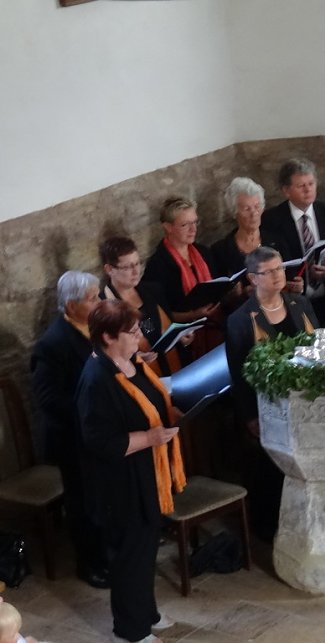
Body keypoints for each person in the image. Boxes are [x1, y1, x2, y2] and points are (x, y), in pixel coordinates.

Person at [76, 300, 183, 643]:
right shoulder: (96, 379)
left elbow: (152, 399)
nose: (140, 336)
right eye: (132, 331)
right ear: (108, 337)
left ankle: (146, 612)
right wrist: (151, 437)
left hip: (147, 474)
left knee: (146, 549)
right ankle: (131, 631)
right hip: (119, 483)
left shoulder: (131, 361)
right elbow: (100, 442)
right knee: (128, 557)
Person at [225, 246, 318, 539]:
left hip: (307, 402)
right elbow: (238, 372)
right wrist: (248, 416)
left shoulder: (299, 303)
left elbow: (319, 343)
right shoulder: (240, 320)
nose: (279, 275)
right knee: (271, 470)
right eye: (270, 271)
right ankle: (271, 528)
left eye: (280, 268)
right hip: (268, 407)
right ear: (253, 278)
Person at [30, 270, 109, 589]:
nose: (100, 302)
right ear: (71, 304)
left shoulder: (92, 327)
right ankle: (88, 564)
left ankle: (107, 553)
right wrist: (90, 409)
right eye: (93, 298)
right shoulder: (52, 344)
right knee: (83, 502)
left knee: (103, 498)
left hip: (97, 433)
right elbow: (48, 400)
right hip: (72, 439)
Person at [260, 158, 325, 326]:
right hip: (295, 302)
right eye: (301, 186)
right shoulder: (272, 221)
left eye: (311, 183)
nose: (308, 190)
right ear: (286, 191)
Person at [100, 236, 192, 376]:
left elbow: (165, 328)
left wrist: (181, 339)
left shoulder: (153, 290)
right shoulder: (104, 307)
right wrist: (131, 360)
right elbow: (105, 356)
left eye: (137, 263)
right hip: (141, 377)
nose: (136, 272)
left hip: (175, 369)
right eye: (127, 267)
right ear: (109, 269)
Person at [211, 177, 302, 311]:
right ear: (234, 212)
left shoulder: (277, 241)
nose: (254, 213)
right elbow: (219, 298)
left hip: (282, 309)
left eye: (257, 206)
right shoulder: (221, 250)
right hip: (246, 315)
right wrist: (239, 294)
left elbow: (291, 277)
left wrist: (297, 286)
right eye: (247, 208)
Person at [141, 197, 220, 324]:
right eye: (185, 225)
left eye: (195, 222)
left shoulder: (203, 252)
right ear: (168, 227)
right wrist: (193, 315)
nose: (193, 229)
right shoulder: (157, 266)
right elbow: (158, 315)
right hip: (184, 334)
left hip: (214, 325)